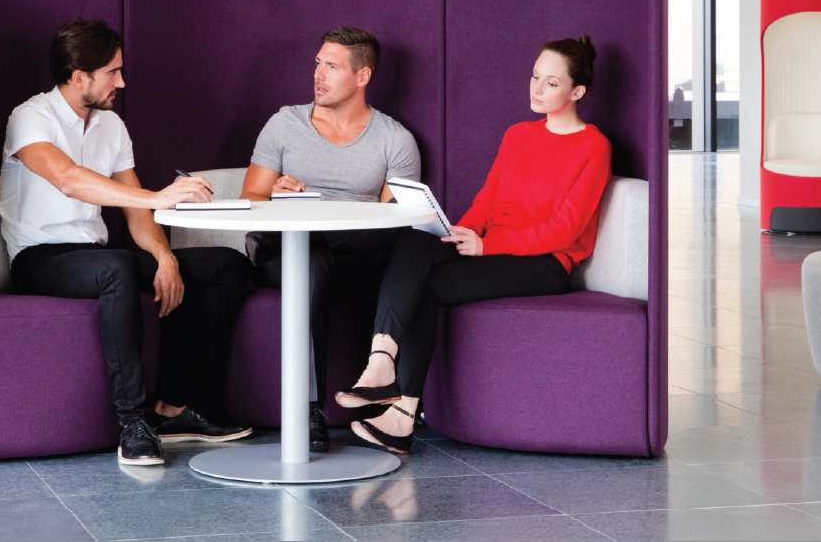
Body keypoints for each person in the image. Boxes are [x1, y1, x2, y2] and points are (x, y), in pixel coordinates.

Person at [335, 36, 612, 453]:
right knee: (415, 240)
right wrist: (457, 233)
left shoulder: (594, 146)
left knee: (427, 286)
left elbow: (565, 232)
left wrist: (486, 247)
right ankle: (380, 361)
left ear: (577, 92)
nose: (537, 89)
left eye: (551, 83)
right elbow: (487, 200)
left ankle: (403, 413)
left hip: (544, 263)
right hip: (491, 245)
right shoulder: (518, 134)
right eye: (535, 76)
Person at [0, 18, 253, 466]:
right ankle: (134, 423)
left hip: (97, 258)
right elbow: (69, 179)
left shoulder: (111, 126)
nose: (121, 82)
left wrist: (164, 256)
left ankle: (172, 409)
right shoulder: (30, 117)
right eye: (112, 72)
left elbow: (136, 215)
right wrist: (157, 196)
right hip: (39, 259)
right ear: (79, 78)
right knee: (117, 266)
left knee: (226, 266)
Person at [239, 26, 422, 452]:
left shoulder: (395, 139)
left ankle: (386, 377)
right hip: (292, 251)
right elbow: (250, 198)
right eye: (318, 63)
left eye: (332, 67)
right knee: (311, 261)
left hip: (358, 255)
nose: (318, 74)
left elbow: (395, 221)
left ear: (362, 76)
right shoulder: (285, 124)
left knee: (412, 240)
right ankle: (309, 411)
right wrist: (276, 196)